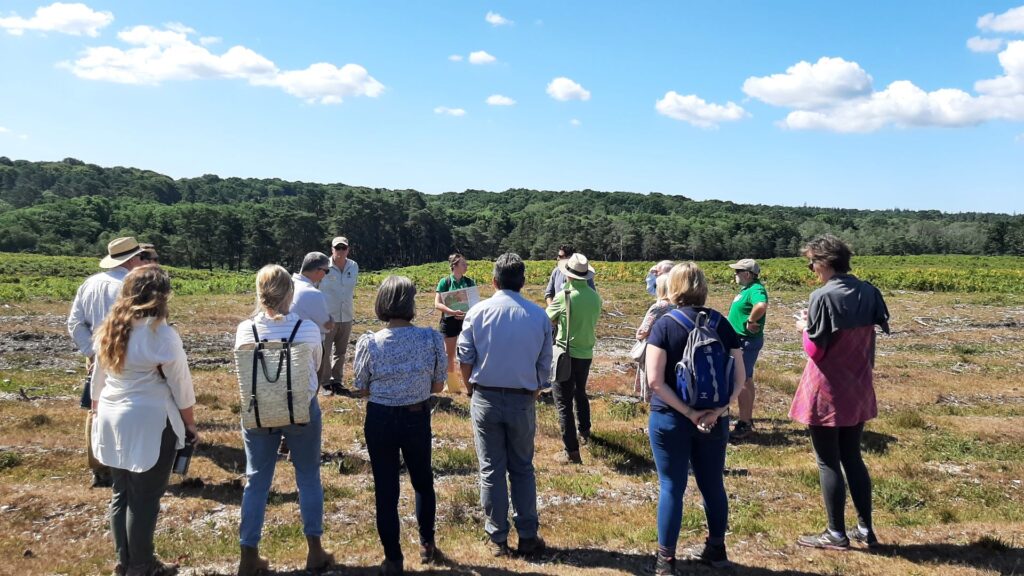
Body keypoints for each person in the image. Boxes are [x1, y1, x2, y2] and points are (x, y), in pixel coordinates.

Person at [91, 265, 198, 576]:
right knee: (145, 498)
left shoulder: (110, 329)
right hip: (149, 418)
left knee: (121, 493)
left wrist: (97, 411)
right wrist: (189, 424)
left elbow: (97, 378)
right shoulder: (161, 334)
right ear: (162, 296)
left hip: (112, 414)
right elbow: (181, 384)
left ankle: (124, 561)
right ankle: (141, 565)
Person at [645, 262, 744, 575]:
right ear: (703, 287)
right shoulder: (722, 323)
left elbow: (654, 381)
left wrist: (688, 412)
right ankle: (716, 549)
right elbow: (740, 375)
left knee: (672, 486)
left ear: (673, 287)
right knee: (713, 483)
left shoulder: (665, 324)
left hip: (670, 417)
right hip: (714, 418)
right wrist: (719, 410)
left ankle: (666, 561)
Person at [233, 265, 334, 576]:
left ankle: (249, 554)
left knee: (256, 482)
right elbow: (316, 367)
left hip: (260, 414)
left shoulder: (244, 330)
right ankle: (315, 550)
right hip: (300, 410)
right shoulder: (307, 329)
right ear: (290, 293)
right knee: (308, 477)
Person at [792, 235, 889, 551]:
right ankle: (866, 529)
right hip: (858, 385)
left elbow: (815, 351)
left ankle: (835, 534)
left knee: (827, 461)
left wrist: (804, 327)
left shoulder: (822, 297)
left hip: (827, 389)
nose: (812, 270)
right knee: (853, 456)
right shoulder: (869, 292)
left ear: (824, 263)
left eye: (812, 264)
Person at [457, 253, 551, 558]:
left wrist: (470, 387)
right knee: (522, 467)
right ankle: (527, 535)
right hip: (522, 398)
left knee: (491, 469)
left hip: (485, 396)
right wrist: (534, 390)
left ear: (494, 281)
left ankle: (497, 537)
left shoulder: (478, 312)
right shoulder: (538, 316)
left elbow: (464, 356)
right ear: (523, 282)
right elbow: (544, 364)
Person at [354, 276, 447, 575]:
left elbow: (362, 387)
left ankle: (393, 558)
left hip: (380, 417)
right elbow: (438, 385)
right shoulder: (430, 338)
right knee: (422, 482)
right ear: (411, 304)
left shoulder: (369, 342)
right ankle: (426, 543)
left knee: (386, 488)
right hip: (416, 415)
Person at [68, 236, 148, 488]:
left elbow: (75, 323)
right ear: (133, 259)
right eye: (140, 257)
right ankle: (127, 464)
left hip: (98, 358)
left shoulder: (89, 283)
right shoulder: (131, 286)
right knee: (128, 409)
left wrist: (92, 353)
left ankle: (100, 468)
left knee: (95, 409)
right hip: (126, 357)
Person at [545, 253, 602, 463]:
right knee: (581, 392)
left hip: (565, 355)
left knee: (563, 403)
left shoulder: (564, 296)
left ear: (568, 275)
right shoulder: (595, 297)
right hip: (586, 353)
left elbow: (546, 319)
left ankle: (571, 451)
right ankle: (585, 431)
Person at [726, 258, 768, 440]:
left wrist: (751, 321)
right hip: (742, 340)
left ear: (747, 274)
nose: (735, 275)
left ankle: (744, 424)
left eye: (737, 271)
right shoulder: (748, 289)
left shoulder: (756, 289)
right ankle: (746, 420)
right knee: (747, 379)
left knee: (741, 379)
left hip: (745, 341)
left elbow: (761, 305)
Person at [319, 235, 359, 395]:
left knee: (341, 352)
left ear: (348, 249)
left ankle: (337, 381)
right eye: (337, 248)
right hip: (328, 316)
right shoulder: (323, 266)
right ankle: (325, 382)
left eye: (344, 248)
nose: (340, 251)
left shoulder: (354, 266)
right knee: (325, 351)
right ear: (332, 249)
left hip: (346, 315)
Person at [433, 253, 475, 386]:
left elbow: (475, 304)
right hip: (449, 321)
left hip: (466, 321)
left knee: (467, 351)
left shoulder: (469, 282)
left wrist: (465, 314)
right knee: (449, 354)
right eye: (463, 264)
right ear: (454, 265)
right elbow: (437, 304)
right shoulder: (444, 282)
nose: (466, 266)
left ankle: (468, 381)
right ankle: (452, 384)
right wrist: (452, 312)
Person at [634, 274, 675, 400]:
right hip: (672, 347)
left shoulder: (658, 307)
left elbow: (643, 331)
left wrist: (638, 335)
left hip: (654, 348)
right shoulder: (677, 306)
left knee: (652, 378)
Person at [291, 252, 335, 335]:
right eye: (326, 271)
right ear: (318, 270)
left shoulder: (287, 284)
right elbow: (326, 327)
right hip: (306, 342)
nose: (325, 275)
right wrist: (331, 321)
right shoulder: (313, 293)